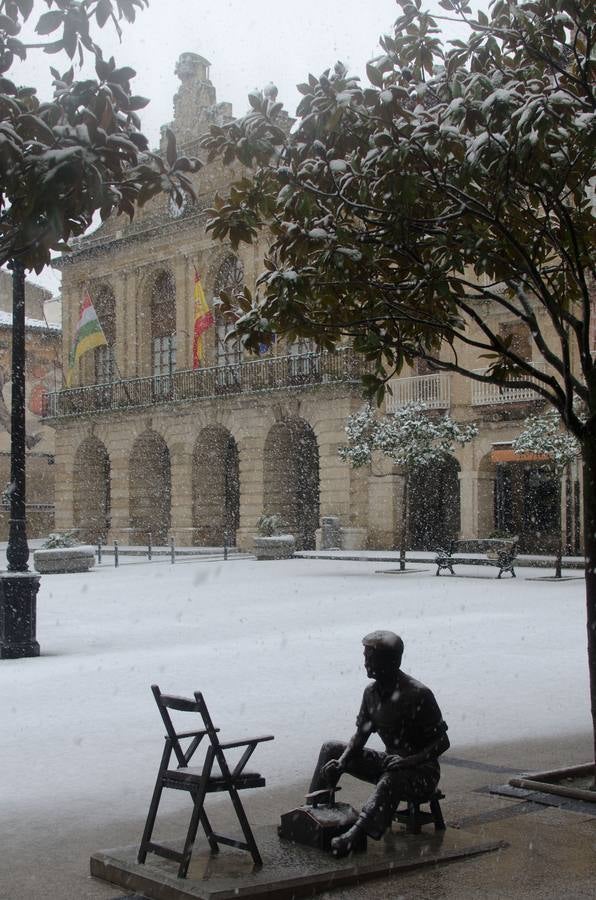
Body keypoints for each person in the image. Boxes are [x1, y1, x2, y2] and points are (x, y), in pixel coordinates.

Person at [308, 630, 449, 857]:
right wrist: (342, 762)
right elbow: (360, 735)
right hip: (390, 762)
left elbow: (442, 742)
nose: (365, 664)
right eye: (365, 657)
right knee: (331, 749)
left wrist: (409, 760)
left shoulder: (418, 694)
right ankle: (313, 814)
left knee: (391, 778)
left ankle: (357, 834)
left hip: (422, 772)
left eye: (370, 658)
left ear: (391, 661)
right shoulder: (371, 693)